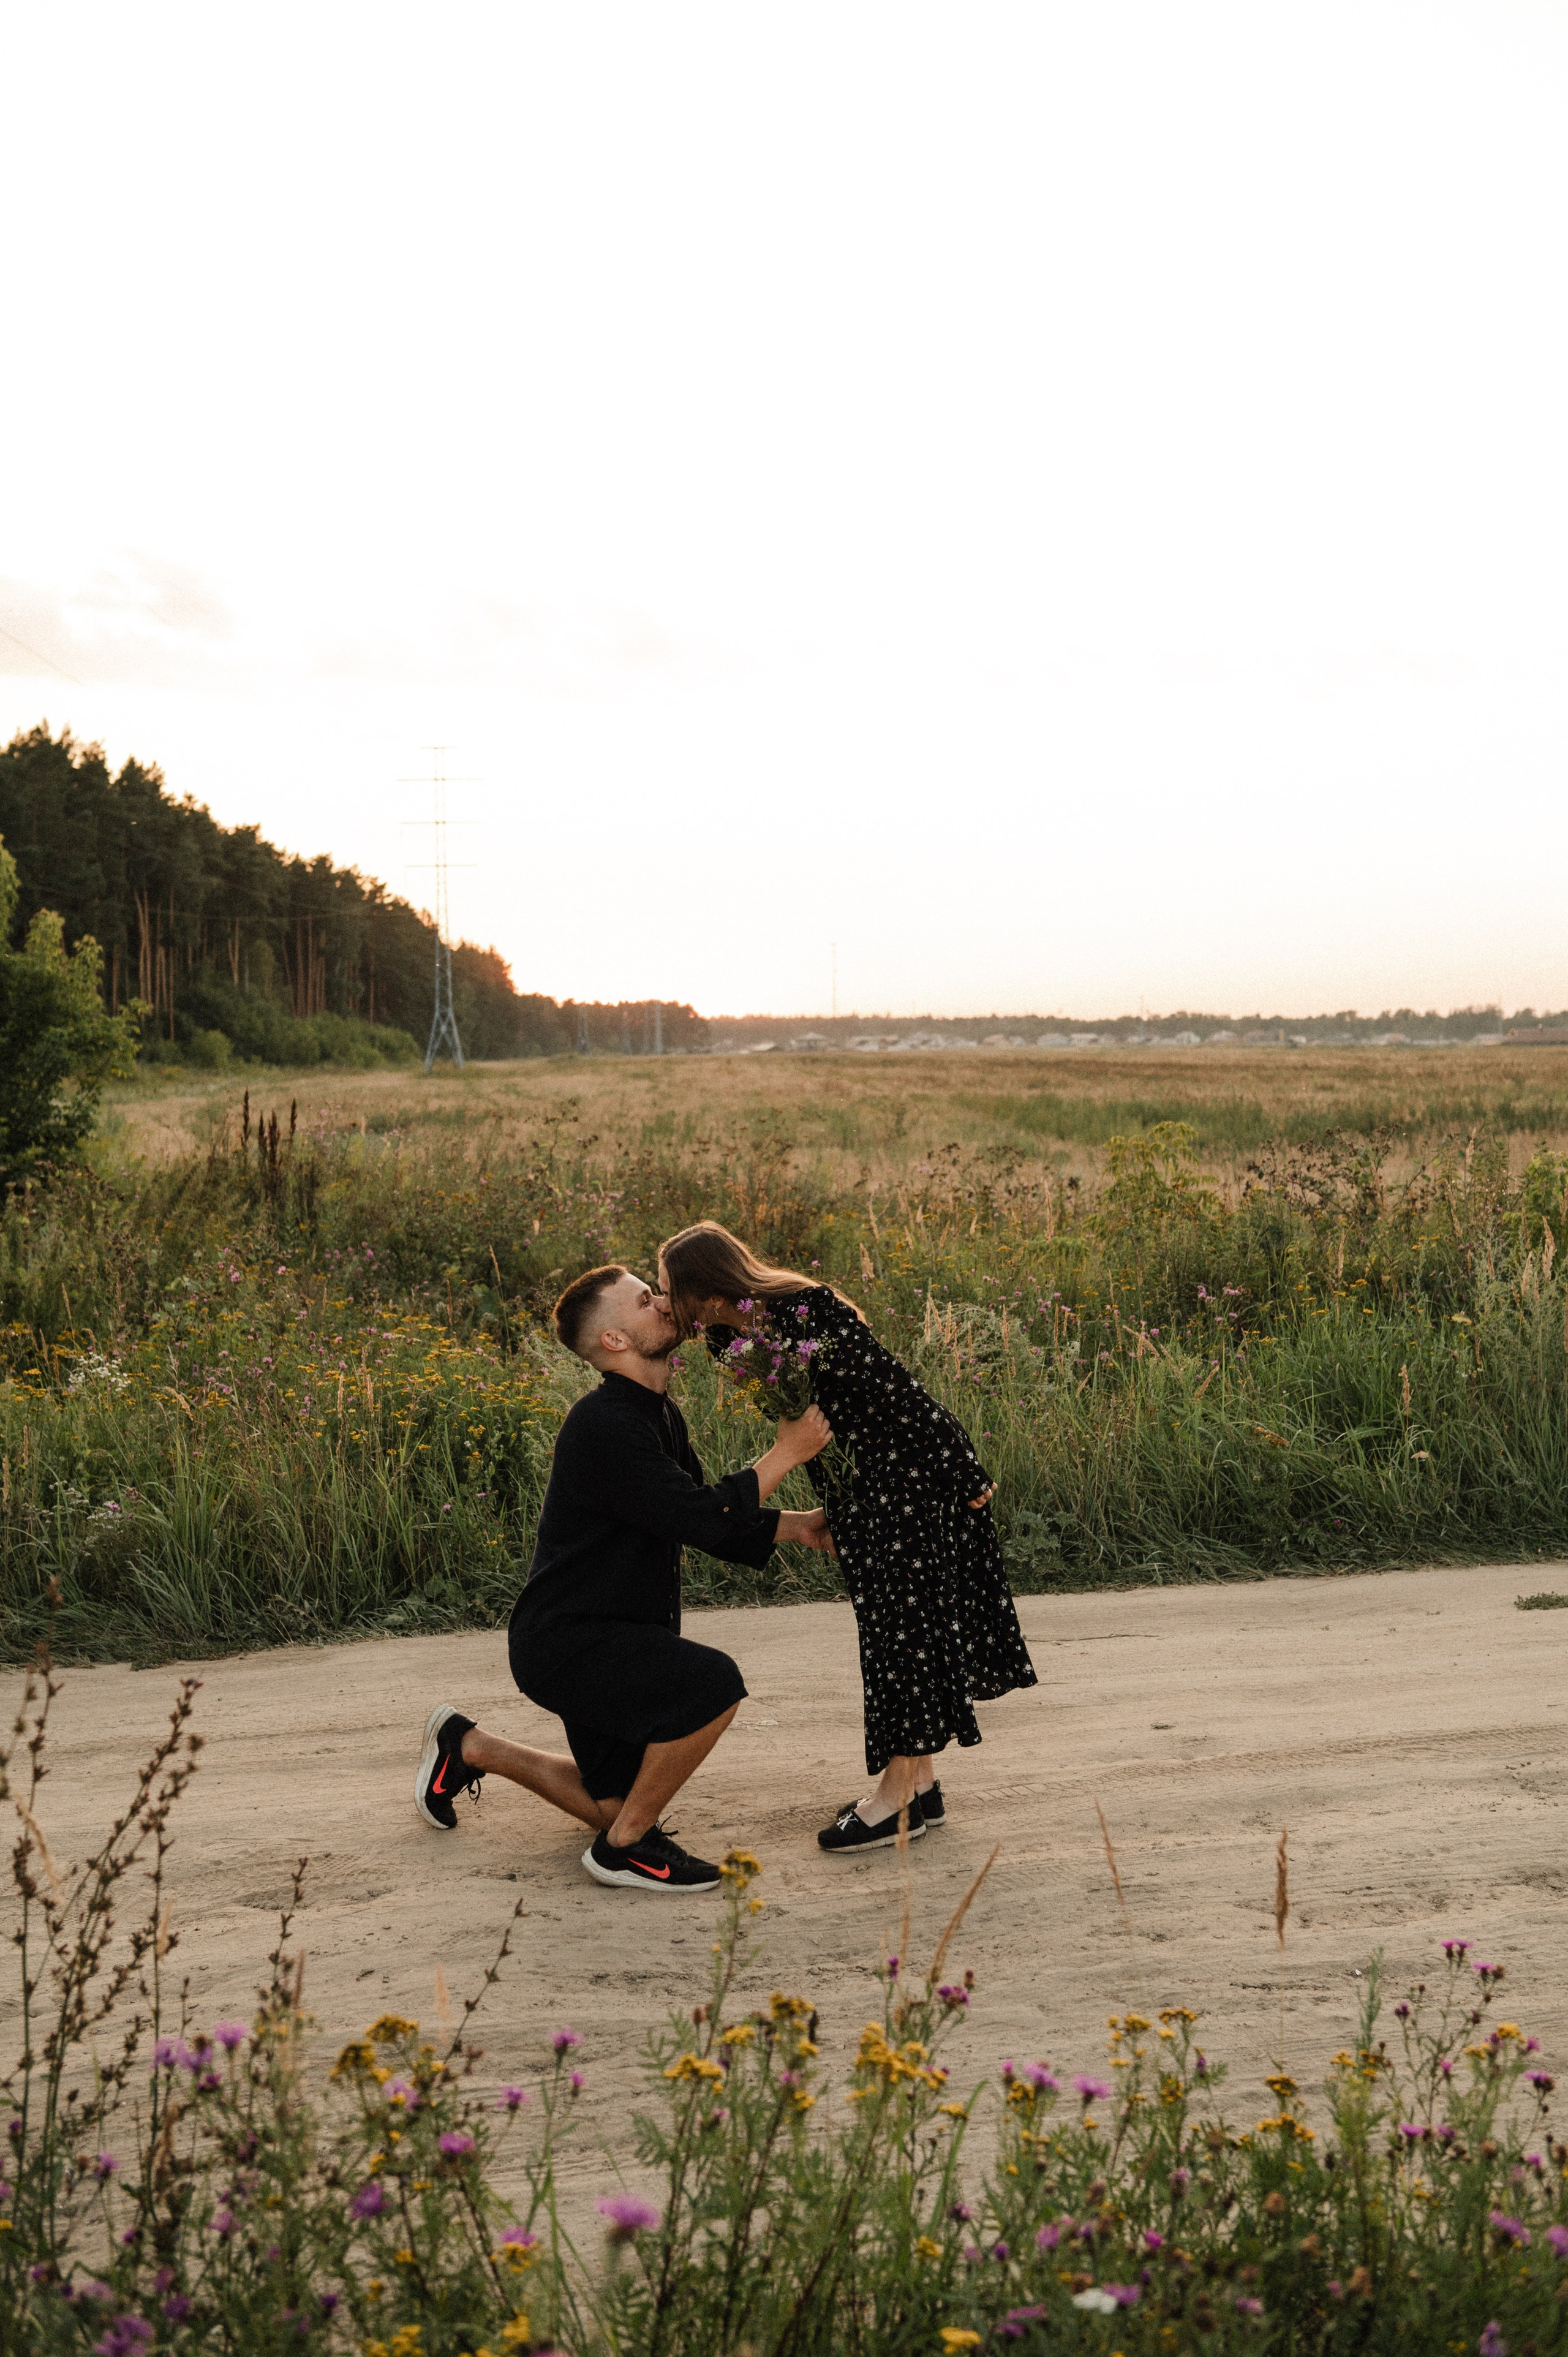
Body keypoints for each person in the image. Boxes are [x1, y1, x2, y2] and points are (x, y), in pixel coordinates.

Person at [413, 1262, 836, 1893]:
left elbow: (704, 1516)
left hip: (598, 1635)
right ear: (614, 1339)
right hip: (573, 1640)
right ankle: (626, 1849)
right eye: (646, 1299)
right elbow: (699, 1514)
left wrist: (797, 1525)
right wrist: (786, 1451)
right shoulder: (604, 1423)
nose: (666, 1302)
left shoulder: (657, 1413)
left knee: (614, 1802)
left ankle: (469, 1746)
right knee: (712, 1684)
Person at [659, 1221, 1038, 1854]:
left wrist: (964, 1467)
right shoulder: (726, 1340)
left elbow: (903, 1395)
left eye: (669, 1287)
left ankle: (894, 1802)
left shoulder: (806, 1309)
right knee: (893, 1630)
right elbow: (802, 1424)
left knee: (905, 1634)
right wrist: (832, 1492)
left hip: (911, 1479)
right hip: (859, 1492)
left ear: (705, 1286)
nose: (664, 1298)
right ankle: (921, 1786)